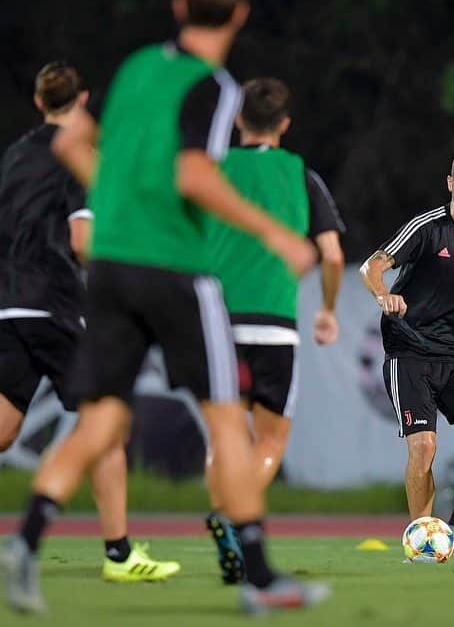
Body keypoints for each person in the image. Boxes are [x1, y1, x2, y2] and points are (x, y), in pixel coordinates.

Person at [0, 0, 328, 615]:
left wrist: (116, 198)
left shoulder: (138, 68)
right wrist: (276, 234)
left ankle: (26, 538)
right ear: (238, 14)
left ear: (178, 8)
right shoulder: (215, 86)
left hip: (111, 266)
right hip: (173, 265)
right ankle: (259, 576)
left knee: (102, 416)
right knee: (226, 419)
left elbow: (71, 147)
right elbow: (193, 177)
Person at [0, 62, 178, 583]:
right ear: (83, 100)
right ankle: (120, 554)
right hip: (54, 308)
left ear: (38, 102)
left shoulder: (14, 155)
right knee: (107, 422)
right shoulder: (78, 157)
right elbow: (82, 242)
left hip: (7, 307)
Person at [203, 77, 346, 583]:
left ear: (237, 120)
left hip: (215, 323)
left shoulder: (211, 170)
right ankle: (232, 521)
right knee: (268, 443)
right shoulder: (300, 174)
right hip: (274, 326)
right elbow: (331, 254)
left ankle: (227, 520)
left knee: (224, 435)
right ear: (285, 124)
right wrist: (327, 309)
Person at [359, 150, 454, 551]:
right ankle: (423, 537)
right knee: (424, 445)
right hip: (410, 350)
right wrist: (383, 296)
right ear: (450, 183)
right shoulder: (427, 227)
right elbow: (370, 267)